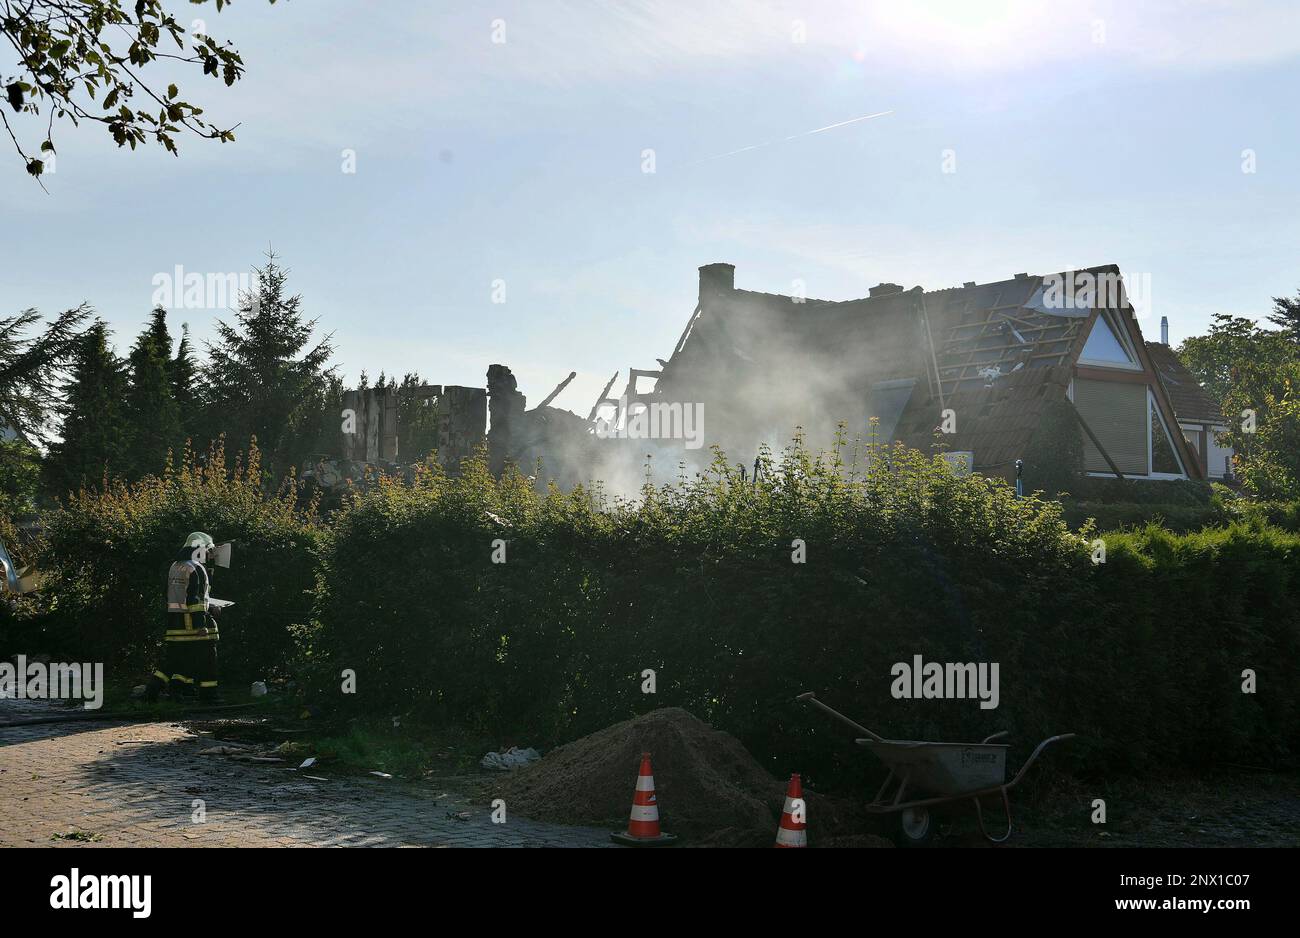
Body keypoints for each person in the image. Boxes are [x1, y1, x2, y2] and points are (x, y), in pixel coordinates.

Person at [144, 532, 222, 703]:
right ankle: (210, 696)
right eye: (208, 550)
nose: (209, 555)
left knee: (175, 662)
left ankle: (152, 691)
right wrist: (201, 624)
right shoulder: (196, 568)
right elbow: (195, 599)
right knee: (208, 659)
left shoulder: (175, 566)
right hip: (193, 625)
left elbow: (171, 594)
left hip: (174, 623)